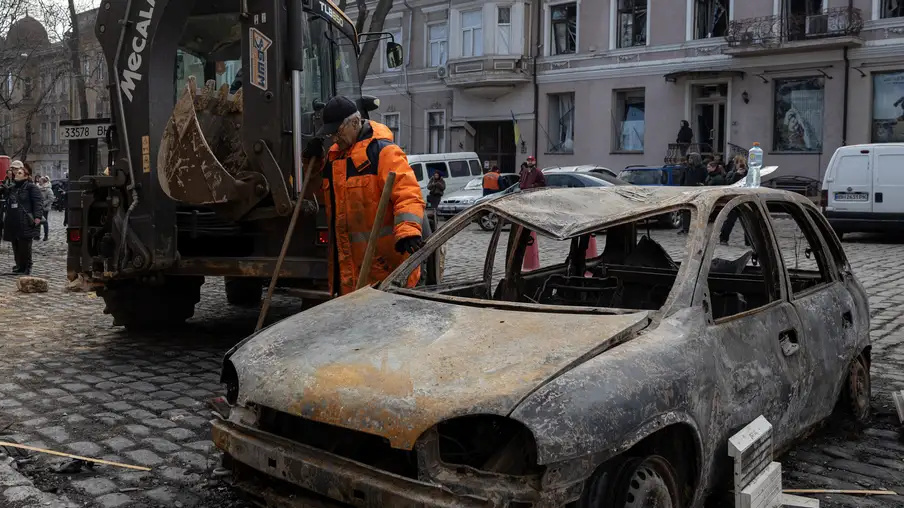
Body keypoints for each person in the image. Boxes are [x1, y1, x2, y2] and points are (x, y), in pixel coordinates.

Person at [302, 95, 425, 296]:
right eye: (330, 134)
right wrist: (311, 164)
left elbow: (408, 193)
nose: (334, 139)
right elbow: (316, 193)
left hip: (383, 267)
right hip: (348, 272)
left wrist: (409, 231)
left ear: (355, 122)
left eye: (337, 132)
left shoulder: (384, 153)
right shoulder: (334, 158)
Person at [3, 161, 43, 275]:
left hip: (25, 220)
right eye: (16, 173)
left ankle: (26, 267)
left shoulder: (31, 187)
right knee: (15, 244)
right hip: (13, 219)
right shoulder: (13, 187)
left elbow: (38, 202)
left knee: (25, 245)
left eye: (20, 173)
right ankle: (19, 265)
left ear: (26, 175)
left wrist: (37, 217)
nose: (16, 174)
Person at [720, 156, 749, 245]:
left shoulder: (748, 173)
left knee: (748, 222)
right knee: (730, 221)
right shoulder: (731, 173)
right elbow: (729, 184)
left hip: (746, 199)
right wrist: (736, 174)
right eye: (738, 163)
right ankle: (723, 239)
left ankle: (749, 241)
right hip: (734, 199)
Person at [677, 153, 707, 234]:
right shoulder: (687, 169)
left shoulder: (702, 169)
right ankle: (685, 228)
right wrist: (682, 189)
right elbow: (682, 180)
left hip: (698, 192)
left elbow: (706, 180)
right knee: (686, 211)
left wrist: (702, 185)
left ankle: (696, 228)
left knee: (697, 211)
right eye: (689, 158)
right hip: (687, 192)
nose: (689, 160)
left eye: (691, 158)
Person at [37, 176, 54, 241]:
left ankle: (46, 235)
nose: (39, 182)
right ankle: (37, 235)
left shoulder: (48, 189)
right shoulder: (37, 188)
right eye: (39, 181)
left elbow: (51, 198)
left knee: (44, 222)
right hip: (38, 207)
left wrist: (43, 204)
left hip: (45, 208)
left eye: (40, 181)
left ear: (44, 182)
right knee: (37, 220)